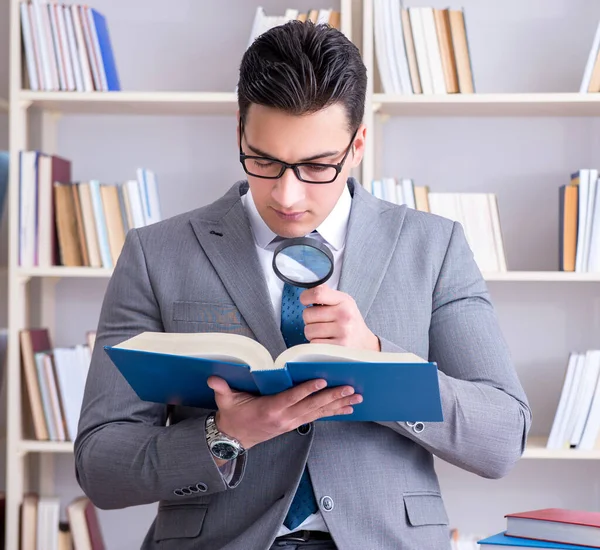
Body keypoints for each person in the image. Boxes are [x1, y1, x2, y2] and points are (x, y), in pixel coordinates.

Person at [74, 20, 532, 550]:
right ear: (239, 133)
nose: (288, 195)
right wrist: (228, 437)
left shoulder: (433, 246)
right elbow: (101, 464)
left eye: (316, 166)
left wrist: (380, 356)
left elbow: (501, 439)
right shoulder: (157, 253)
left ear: (357, 145)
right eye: (264, 161)